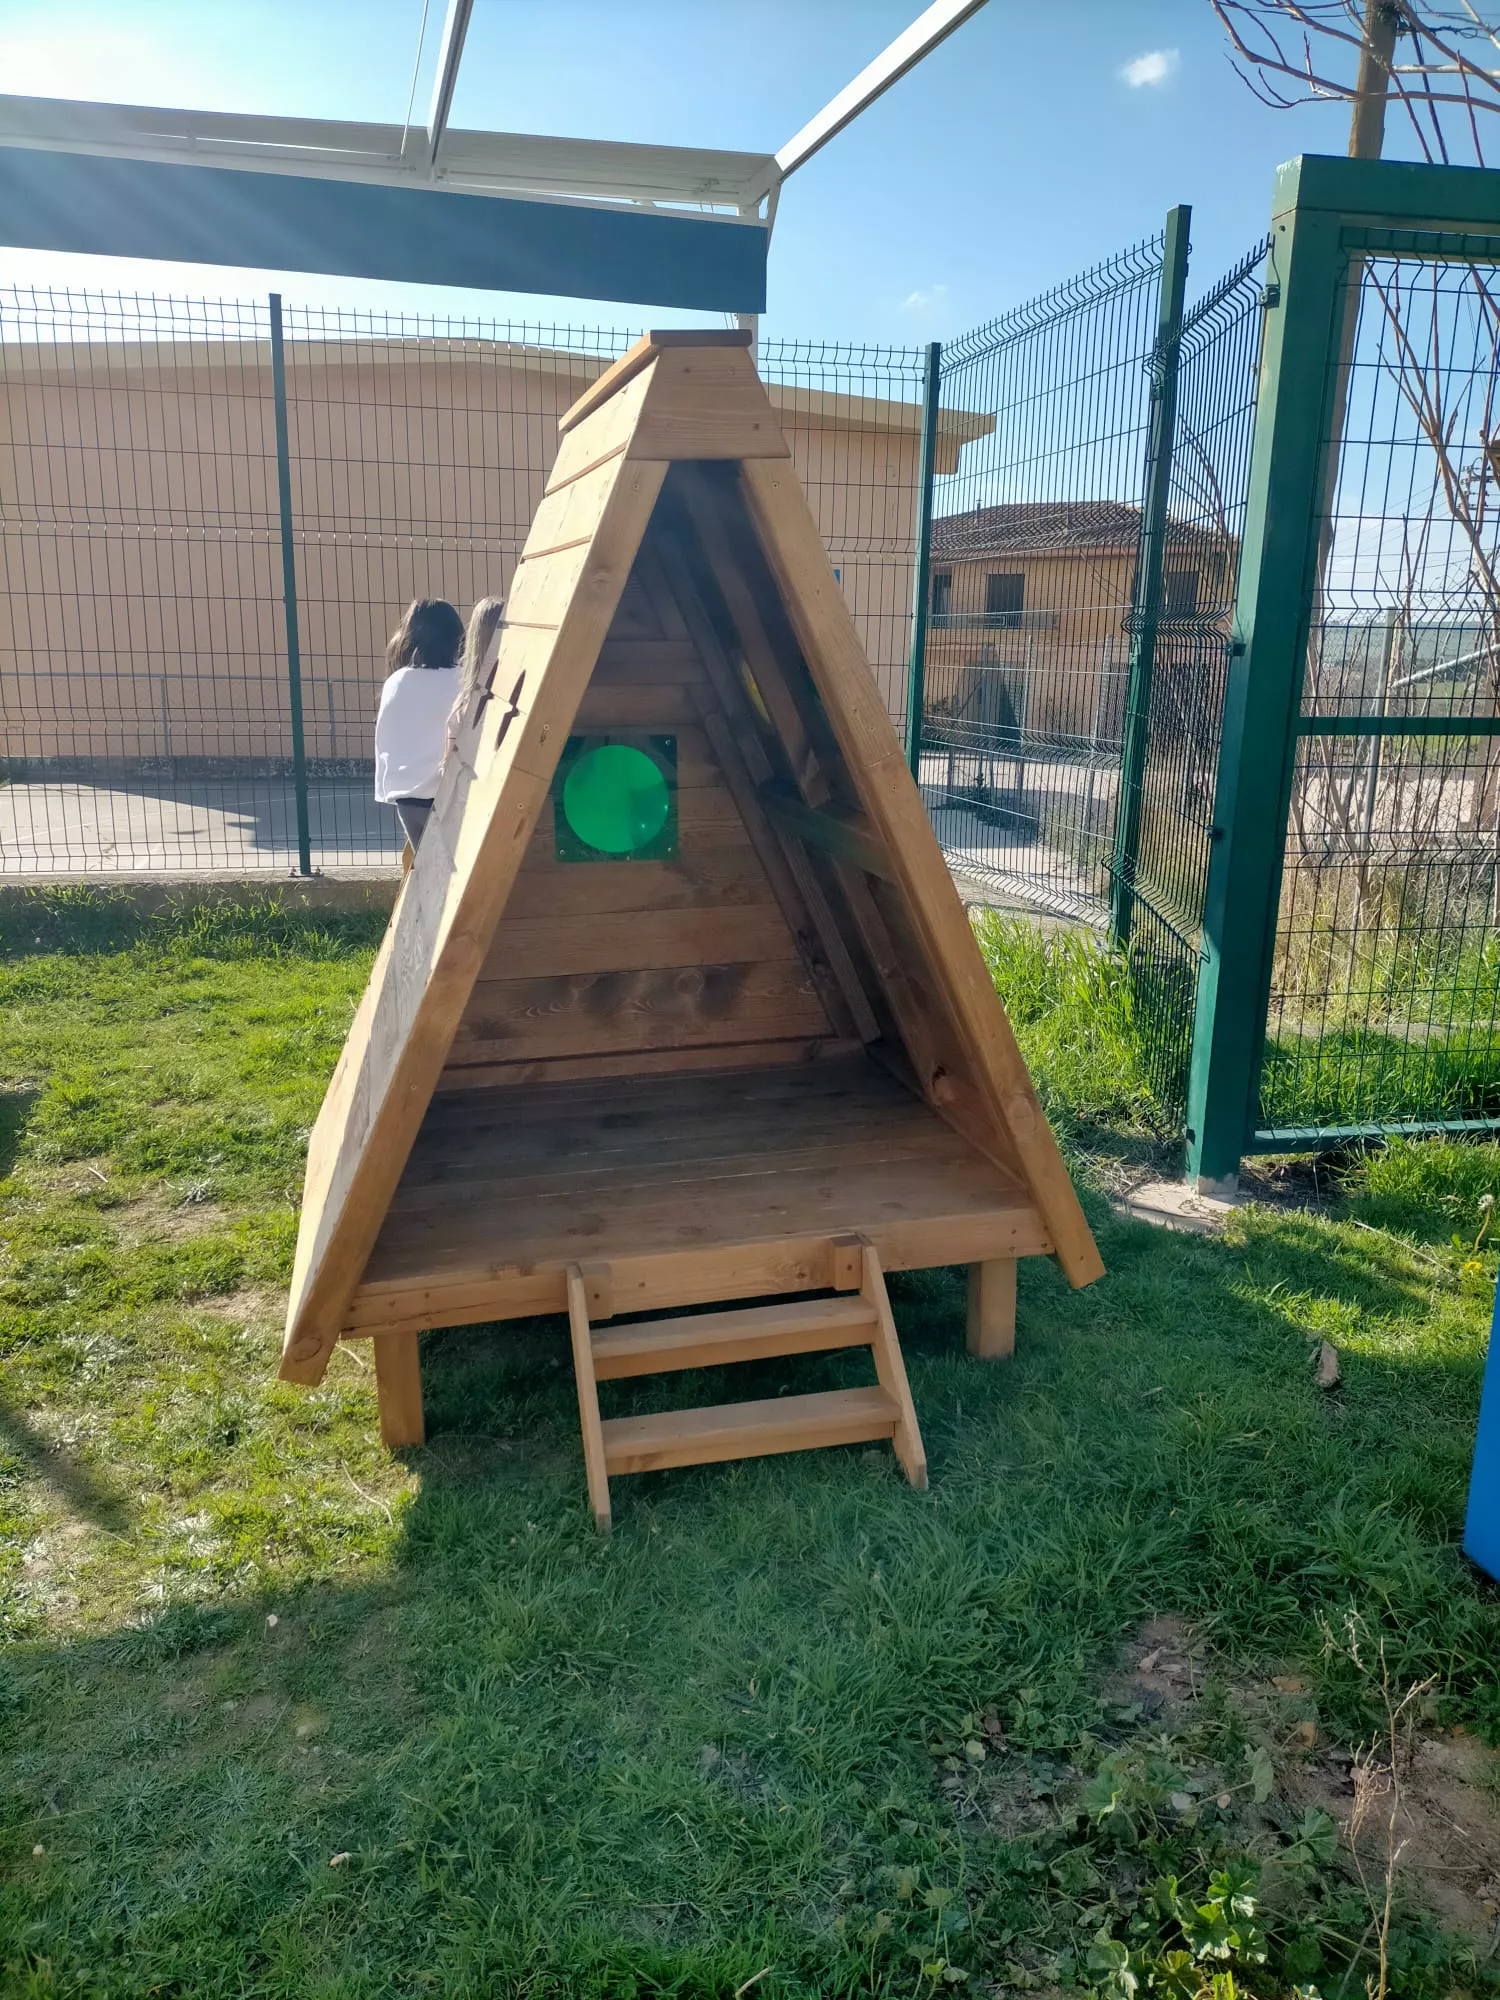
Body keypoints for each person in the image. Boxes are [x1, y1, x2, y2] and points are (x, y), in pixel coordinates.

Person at [373, 598, 464, 851]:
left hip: (407, 795)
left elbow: (387, 738)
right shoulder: (462, 680)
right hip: (450, 790)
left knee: (426, 865)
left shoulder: (396, 681)